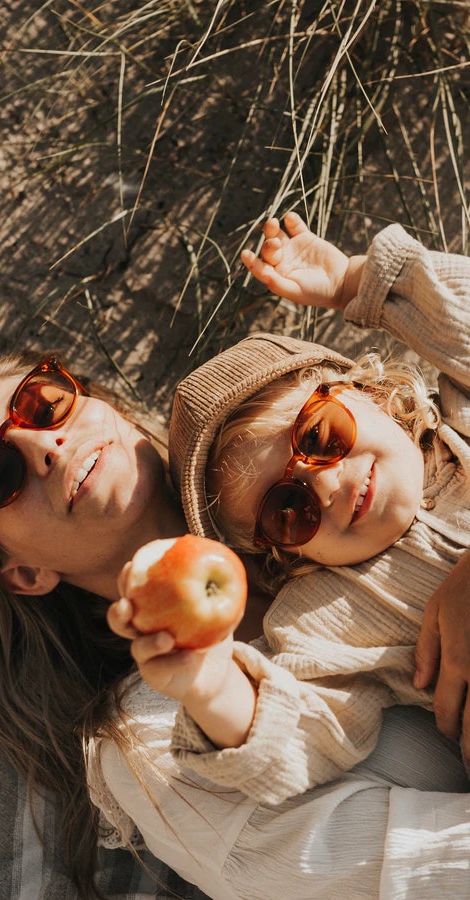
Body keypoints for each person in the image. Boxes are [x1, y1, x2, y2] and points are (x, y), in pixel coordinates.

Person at [0, 322, 470, 899]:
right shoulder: (147, 741)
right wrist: (212, 689)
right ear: (25, 572)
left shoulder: (310, 440)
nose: (46, 446)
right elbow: (409, 877)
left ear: (105, 405)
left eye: (45, 403)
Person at [125, 212, 470, 810]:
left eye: (320, 432)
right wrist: (209, 686)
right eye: (289, 509)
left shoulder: (461, 410)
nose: (328, 483)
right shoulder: (328, 611)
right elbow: (299, 734)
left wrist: (356, 282)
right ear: (285, 554)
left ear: (365, 390)